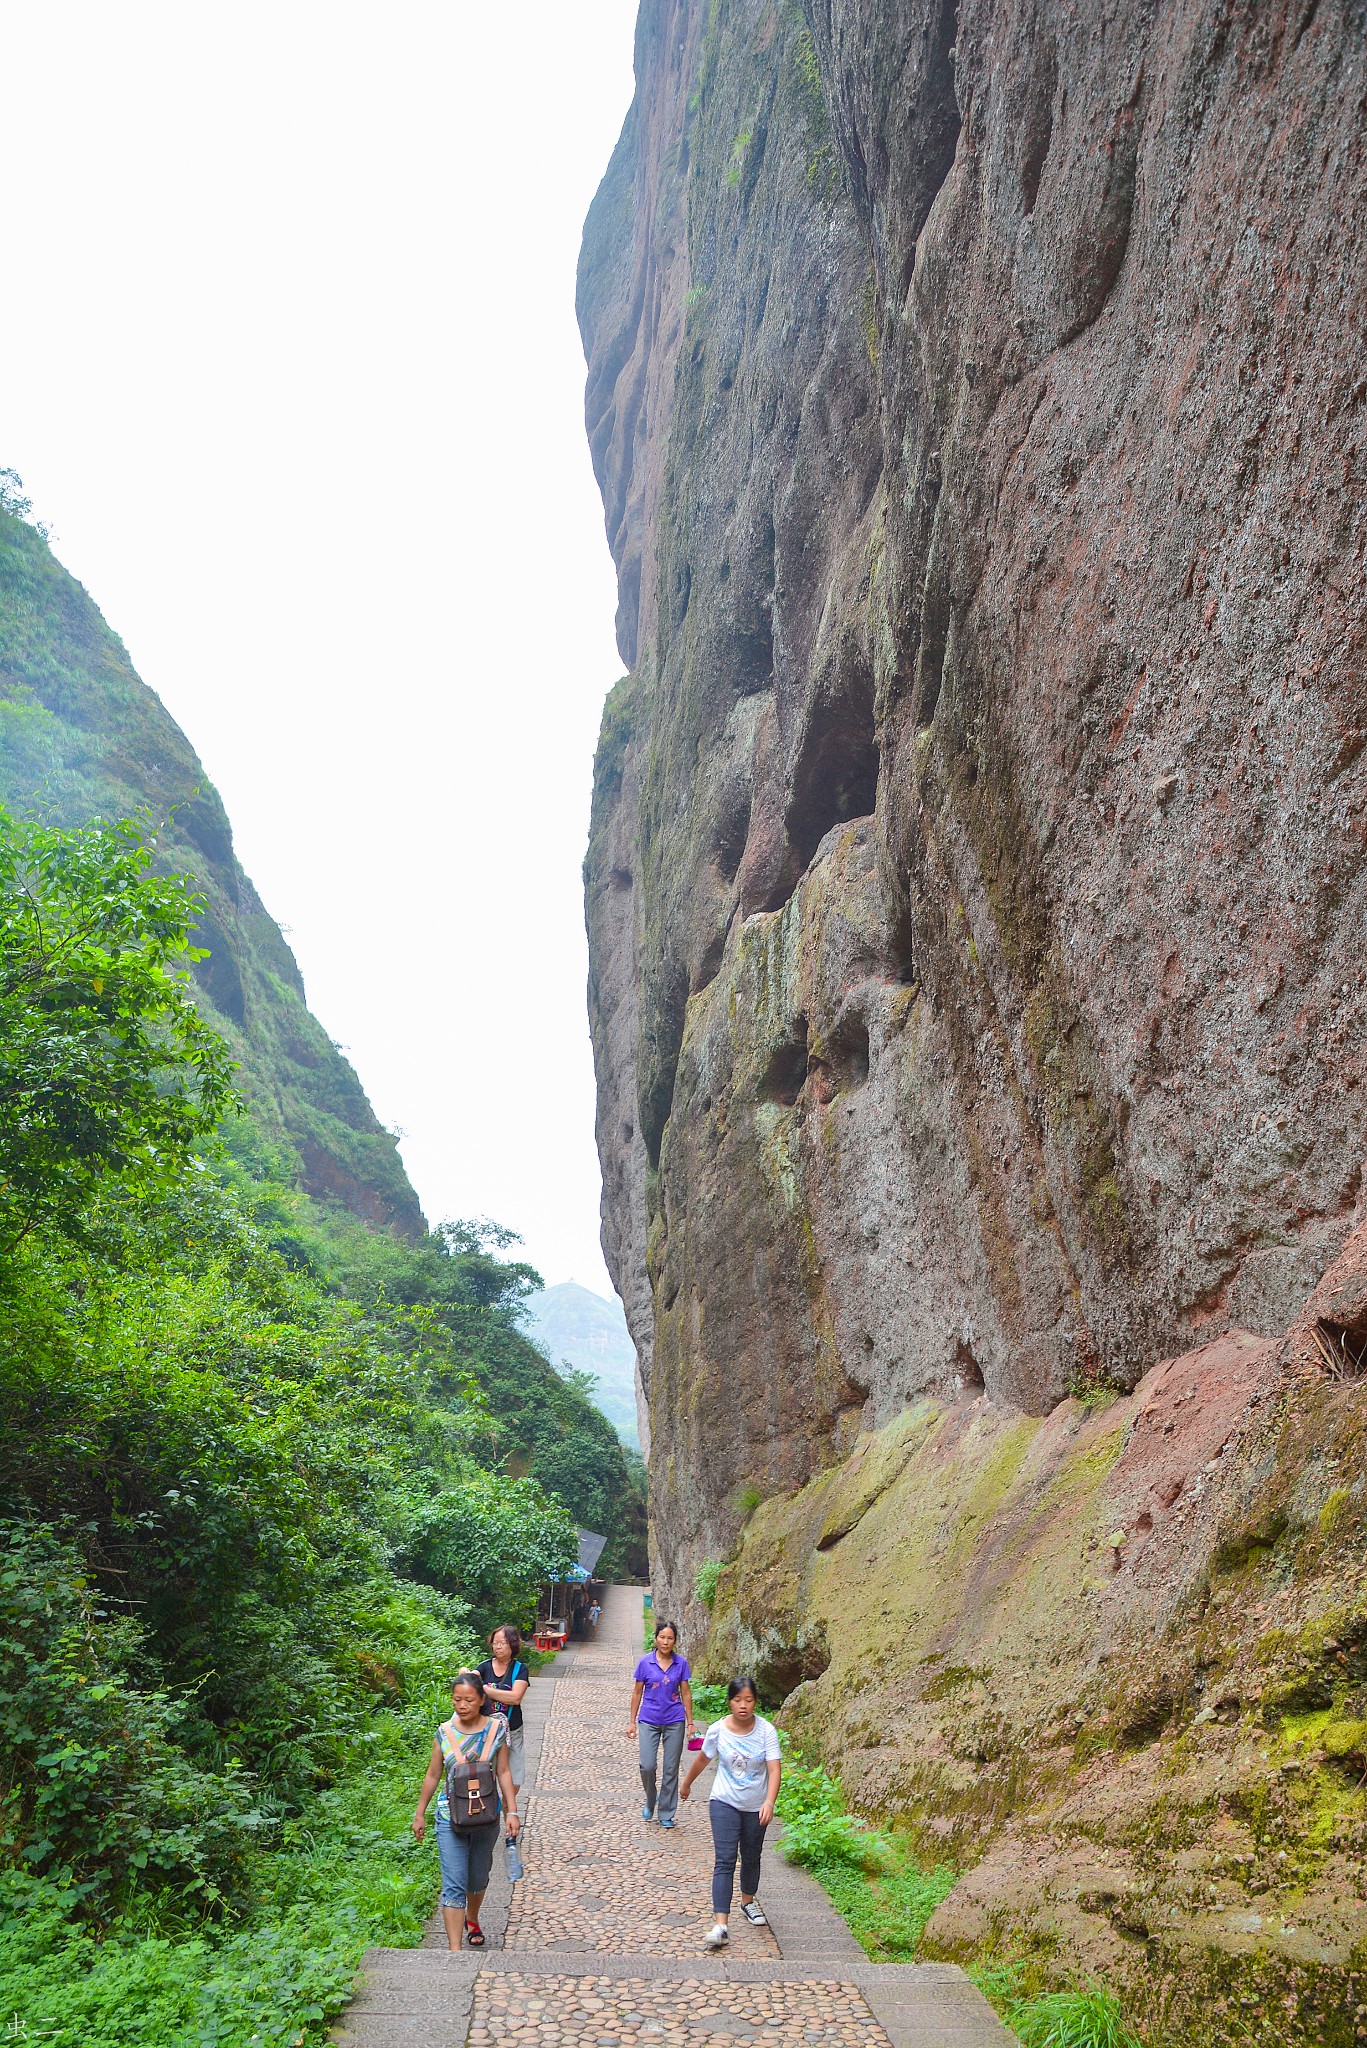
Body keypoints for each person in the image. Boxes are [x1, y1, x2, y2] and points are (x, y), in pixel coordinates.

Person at [412, 1669, 520, 1950]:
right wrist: (420, 1812)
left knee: (478, 1877)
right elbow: (433, 1775)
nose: (462, 1705)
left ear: (482, 1699)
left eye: (469, 1700)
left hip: (487, 1816)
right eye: (457, 1699)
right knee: (454, 1883)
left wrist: (512, 1811)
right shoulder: (444, 1733)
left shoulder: (497, 1730)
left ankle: (472, 1917)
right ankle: (455, 1951)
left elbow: (505, 1772)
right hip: (450, 1817)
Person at [679, 1674, 781, 1948]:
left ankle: (748, 1902)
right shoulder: (718, 1729)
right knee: (724, 1860)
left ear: (755, 1702)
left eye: (748, 1700)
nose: (743, 1705)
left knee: (751, 1856)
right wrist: (687, 1784)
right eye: (738, 1700)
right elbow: (703, 1758)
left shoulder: (766, 1731)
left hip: (755, 1805)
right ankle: (721, 1924)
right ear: (730, 1702)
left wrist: (769, 1802)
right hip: (723, 1801)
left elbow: (774, 1769)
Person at [627, 1619, 695, 1828]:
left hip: (675, 1719)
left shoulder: (680, 1663)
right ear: (656, 1638)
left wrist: (690, 1722)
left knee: (671, 1768)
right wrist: (631, 1722)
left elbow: (685, 1693)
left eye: (670, 1638)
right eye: (662, 1637)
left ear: (675, 1641)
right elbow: (637, 1692)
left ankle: (666, 1811)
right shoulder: (645, 1663)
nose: (665, 1642)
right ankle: (650, 1798)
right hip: (649, 1719)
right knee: (647, 1765)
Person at [479, 1624, 530, 1789]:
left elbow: (515, 1697)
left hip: (512, 1731)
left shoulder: (520, 1669)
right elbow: (470, 1682)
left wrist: (486, 1690)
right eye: (495, 1643)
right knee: (486, 1777)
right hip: (488, 1732)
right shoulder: (485, 1667)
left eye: (502, 1642)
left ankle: (509, 1809)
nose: (498, 1646)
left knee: (513, 1780)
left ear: (512, 1644)